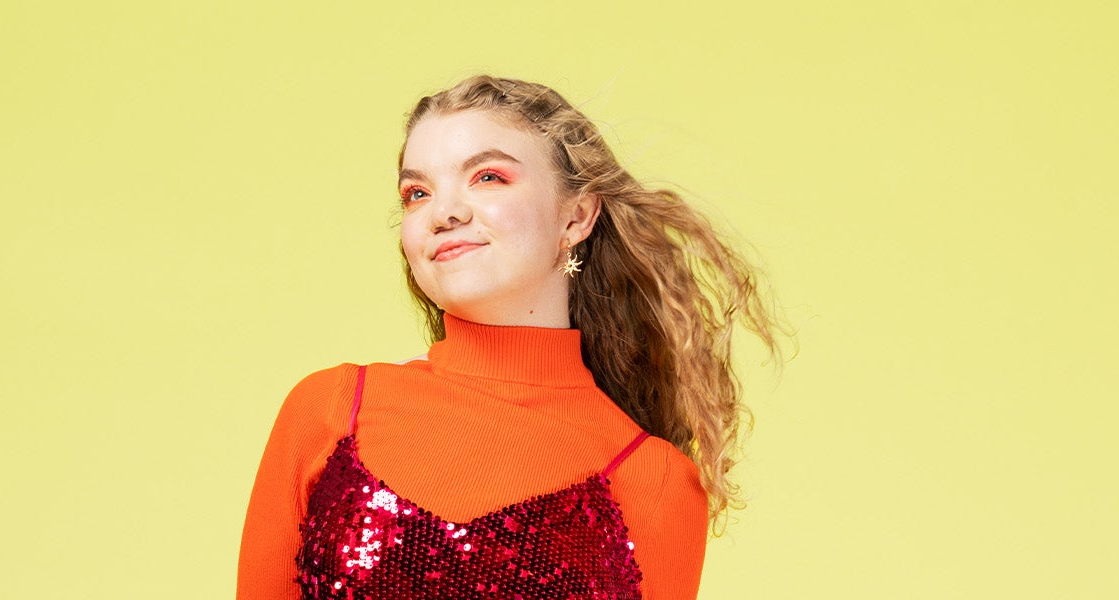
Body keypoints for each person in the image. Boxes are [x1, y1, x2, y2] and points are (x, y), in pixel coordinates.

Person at [238, 75, 789, 599]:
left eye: (488, 177)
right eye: (416, 193)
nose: (445, 212)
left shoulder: (653, 479)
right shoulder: (335, 412)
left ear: (575, 216)